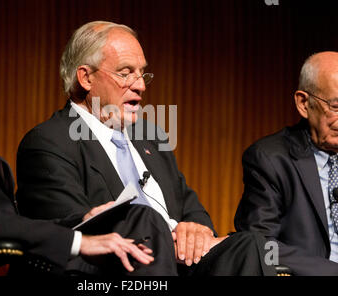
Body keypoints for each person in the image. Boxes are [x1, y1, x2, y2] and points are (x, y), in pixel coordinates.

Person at [0, 9, 156, 275]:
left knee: (137, 221)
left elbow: (2, 217)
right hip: (4, 266)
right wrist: (78, 241)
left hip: (23, 254)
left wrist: (79, 220)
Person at [16, 21, 275, 276]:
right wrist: (160, 241)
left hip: (182, 264)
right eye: (125, 72)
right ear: (86, 77)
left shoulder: (150, 138)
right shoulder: (49, 143)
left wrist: (195, 229)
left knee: (249, 246)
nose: (140, 85)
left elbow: (191, 207)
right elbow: (70, 231)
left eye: (141, 74)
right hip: (120, 269)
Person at [235, 51, 338, 276]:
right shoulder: (270, 159)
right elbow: (259, 245)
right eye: (337, 106)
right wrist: (337, 273)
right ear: (304, 103)